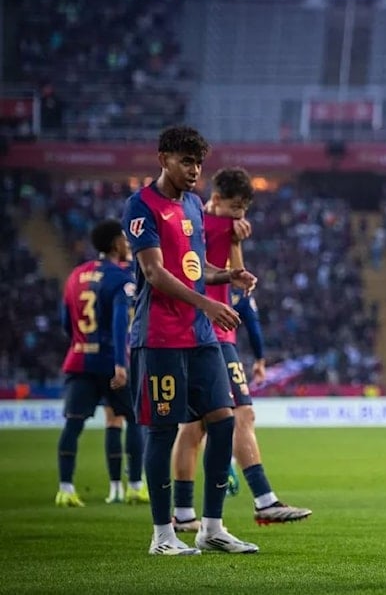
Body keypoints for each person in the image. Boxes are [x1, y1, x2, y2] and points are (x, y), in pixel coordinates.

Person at [122, 125, 259, 556]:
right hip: (160, 336)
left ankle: (212, 527)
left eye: (198, 163)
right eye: (185, 161)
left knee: (223, 421)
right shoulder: (140, 205)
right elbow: (154, 273)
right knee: (162, 431)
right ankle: (163, 535)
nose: (194, 170)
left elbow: (192, 268)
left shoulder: (196, 206)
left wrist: (227, 276)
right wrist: (206, 304)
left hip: (200, 336)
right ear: (163, 158)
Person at [171, 167, 311, 532]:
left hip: (204, 332)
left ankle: (184, 514)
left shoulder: (205, 224)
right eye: (235, 207)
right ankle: (265, 501)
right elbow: (229, 275)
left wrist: (234, 240)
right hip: (212, 334)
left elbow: (238, 285)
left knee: (193, 428)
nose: (240, 216)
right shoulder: (206, 223)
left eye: (244, 209)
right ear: (215, 199)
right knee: (242, 414)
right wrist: (233, 239)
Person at [56, 219, 146, 507]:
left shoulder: (75, 276)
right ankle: (134, 486)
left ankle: (66, 489)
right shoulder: (121, 278)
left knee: (73, 424)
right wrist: (121, 364)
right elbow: (121, 323)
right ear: (114, 244)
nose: (128, 243)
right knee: (133, 418)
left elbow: (65, 322)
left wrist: (80, 343)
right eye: (124, 239)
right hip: (110, 361)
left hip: (79, 359)